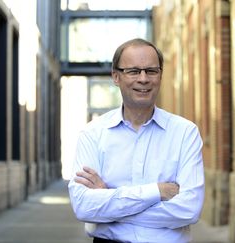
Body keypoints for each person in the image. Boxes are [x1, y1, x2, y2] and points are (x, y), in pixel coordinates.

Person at [68, 38, 205, 243]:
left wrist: (109, 202)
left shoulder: (185, 133)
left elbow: (188, 210)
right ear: (116, 76)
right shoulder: (92, 134)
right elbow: (84, 207)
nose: (143, 79)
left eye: (151, 71)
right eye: (133, 71)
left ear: (160, 75)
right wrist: (156, 192)